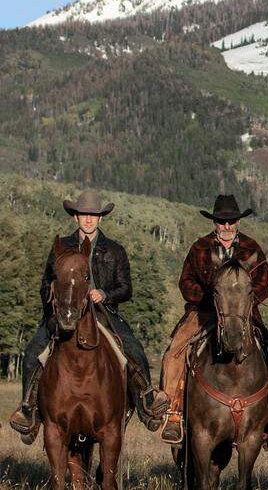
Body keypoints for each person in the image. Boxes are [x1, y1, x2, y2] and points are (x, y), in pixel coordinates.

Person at [9, 190, 169, 443]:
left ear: (101, 218)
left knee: (132, 348)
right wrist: (56, 306)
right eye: (84, 214)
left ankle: (146, 400)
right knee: (32, 353)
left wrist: (104, 294)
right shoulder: (61, 247)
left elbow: (126, 288)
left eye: (93, 215)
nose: (89, 219)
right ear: (76, 217)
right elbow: (45, 284)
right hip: (65, 312)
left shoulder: (114, 250)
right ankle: (29, 410)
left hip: (103, 312)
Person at [158, 195, 268, 447]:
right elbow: (186, 282)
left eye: (231, 221)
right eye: (221, 222)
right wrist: (214, 299)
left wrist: (240, 302)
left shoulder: (251, 249)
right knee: (173, 353)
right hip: (202, 312)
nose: (226, 226)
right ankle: (173, 413)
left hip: (243, 314)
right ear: (214, 222)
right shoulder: (199, 248)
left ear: (237, 221)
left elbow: (263, 283)